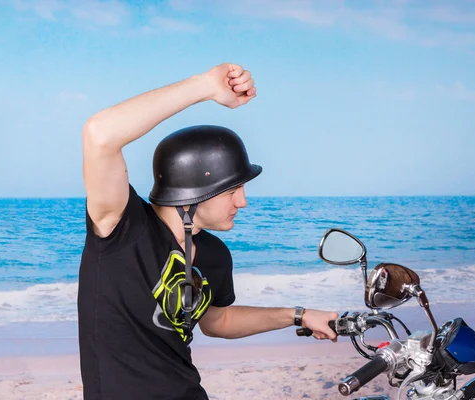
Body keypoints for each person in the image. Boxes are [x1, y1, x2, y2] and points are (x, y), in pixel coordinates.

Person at [78, 63, 339, 400]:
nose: (243, 202)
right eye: (233, 190)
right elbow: (99, 134)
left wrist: (299, 316)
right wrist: (205, 86)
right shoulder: (120, 228)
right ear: (194, 190)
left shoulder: (214, 254)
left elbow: (218, 322)